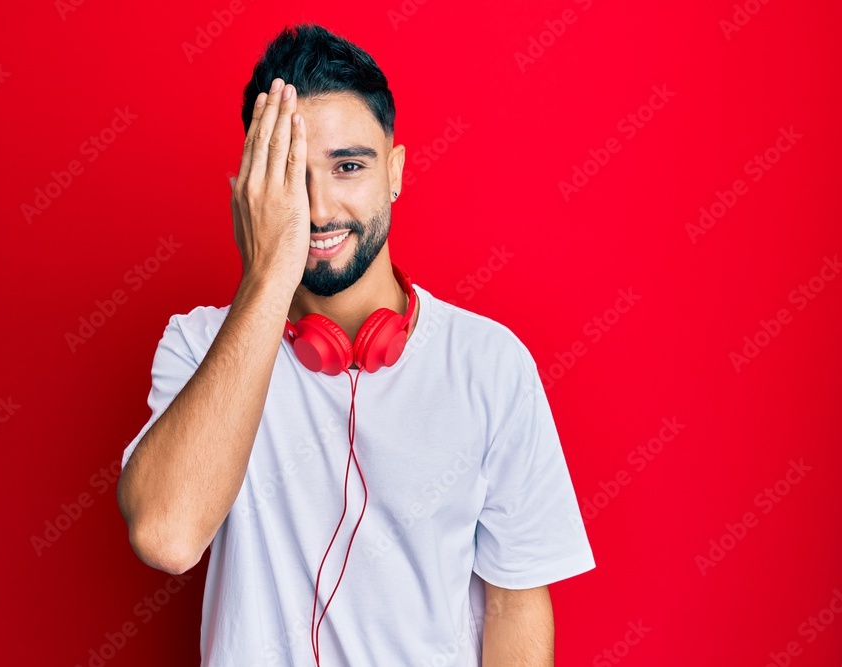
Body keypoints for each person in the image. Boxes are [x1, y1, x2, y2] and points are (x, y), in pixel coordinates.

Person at [116, 22, 595, 666]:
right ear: (254, 186)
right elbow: (167, 537)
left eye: (348, 166)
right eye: (290, 173)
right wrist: (265, 277)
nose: (318, 208)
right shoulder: (197, 343)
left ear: (395, 171)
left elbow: (515, 602)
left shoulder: (491, 363)